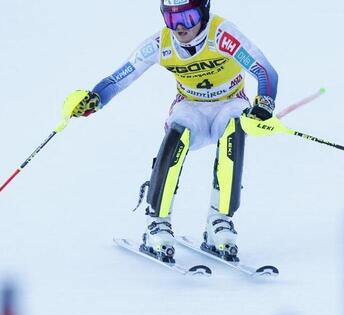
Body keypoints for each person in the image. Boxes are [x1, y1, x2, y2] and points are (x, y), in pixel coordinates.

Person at [66, 0, 278, 263]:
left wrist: (264, 104)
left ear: (203, 12)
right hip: (192, 108)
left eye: (187, 18)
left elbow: (264, 70)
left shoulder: (222, 35)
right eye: (171, 19)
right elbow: (121, 77)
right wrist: (95, 99)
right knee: (178, 133)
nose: (180, 28)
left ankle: (219, 220)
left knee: (234, 130)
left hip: (230, 103)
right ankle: (157, 221)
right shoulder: (161, 43)